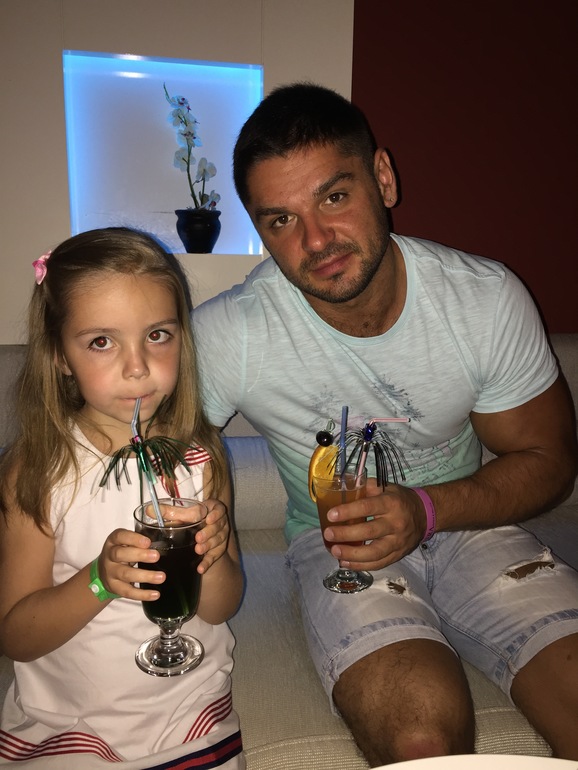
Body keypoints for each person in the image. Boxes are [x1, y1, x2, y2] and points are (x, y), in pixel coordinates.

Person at [192, 83, 578, 764]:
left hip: (470, 524)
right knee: (419, 740)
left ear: (383, 178)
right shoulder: (233, 333)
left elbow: (549, 461)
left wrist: (425, 510)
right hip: (335, 545)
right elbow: (133, 443)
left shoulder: (484, 301)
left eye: (334, 197)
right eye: (280, 220)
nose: (315, 240)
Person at [0, 228, 245, 769]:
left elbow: (222, 606)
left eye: (157, 335)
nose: (137, 367)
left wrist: (213, 553)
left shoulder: (202, 457)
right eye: (101, 342)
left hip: (190, 711)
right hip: (71, 723)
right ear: (60, 355)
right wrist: (98, 580)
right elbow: (15, 635)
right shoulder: (37, 472)